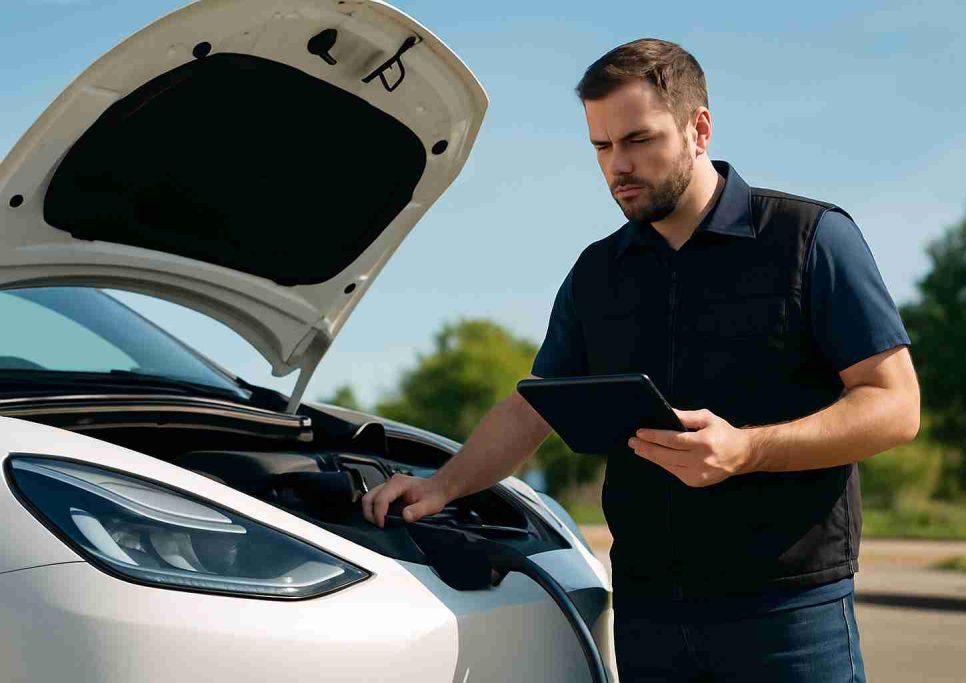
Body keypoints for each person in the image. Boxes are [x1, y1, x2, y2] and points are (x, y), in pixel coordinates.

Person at [362, 38, 919, 681]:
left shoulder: (810, 238)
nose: (616, 166)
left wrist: (747, 449)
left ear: (698, 128)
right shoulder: (599, 272)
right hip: (650, 614)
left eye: (638, 140)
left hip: (787, 612)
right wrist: (441, 485)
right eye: (601, 147)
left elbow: (895, 405)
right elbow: (531, 407)